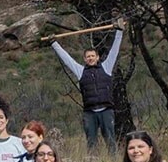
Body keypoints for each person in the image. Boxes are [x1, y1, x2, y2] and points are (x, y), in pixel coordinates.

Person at [50, 26, 123, 154]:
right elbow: (67, 59)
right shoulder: (80, 71)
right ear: (84, 59)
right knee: (91, 143)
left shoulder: (107, 67)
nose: (90, 58)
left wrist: (119, 31)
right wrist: (54, 43)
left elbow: (114, 50)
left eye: (92, 56)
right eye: (88, 56)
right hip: (90, 112)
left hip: (106, 110)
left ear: (97, 57)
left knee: (110, 140)